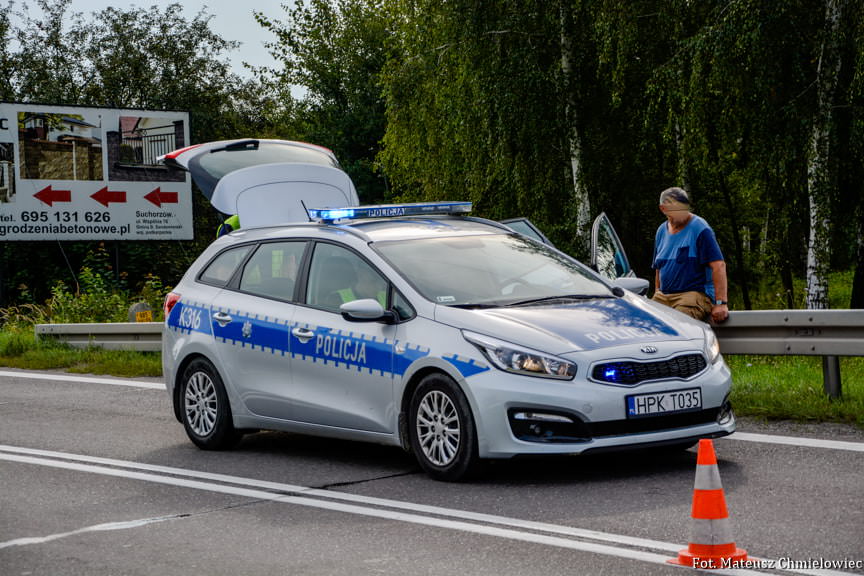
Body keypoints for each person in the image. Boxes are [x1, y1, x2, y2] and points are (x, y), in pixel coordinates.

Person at [651, 187, 729, 323]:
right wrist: (657, 291)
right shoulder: (661, 232)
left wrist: (721, 303)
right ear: (663, 209)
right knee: (645, 324)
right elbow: (659, 267)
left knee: (676, 325)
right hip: (664, 297)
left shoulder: (700, 228)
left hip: (693, 295)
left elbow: (719, 265)